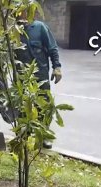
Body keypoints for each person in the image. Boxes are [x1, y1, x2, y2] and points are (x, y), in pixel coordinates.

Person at [16, 11, 62, 149]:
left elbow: (52, 48)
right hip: (21, 76)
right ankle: (24, 134)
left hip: (40, 75)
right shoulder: (13, 31)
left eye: (22, 10)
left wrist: (57, 67)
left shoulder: (40, 27)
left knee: (44, 106)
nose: (18, 13)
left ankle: (44, 136)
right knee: (23, 106)